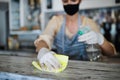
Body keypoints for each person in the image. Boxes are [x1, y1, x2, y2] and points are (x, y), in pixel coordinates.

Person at [34, 0, 117, 70]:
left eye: (73, 0)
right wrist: (43, 51)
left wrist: (100, 39)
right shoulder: (56, 21)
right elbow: (44, 40)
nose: (69, 3)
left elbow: (111, 53)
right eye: (65, 0)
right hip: (61, 68)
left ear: (80, 1)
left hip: (87, 70)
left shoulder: (89, 23)